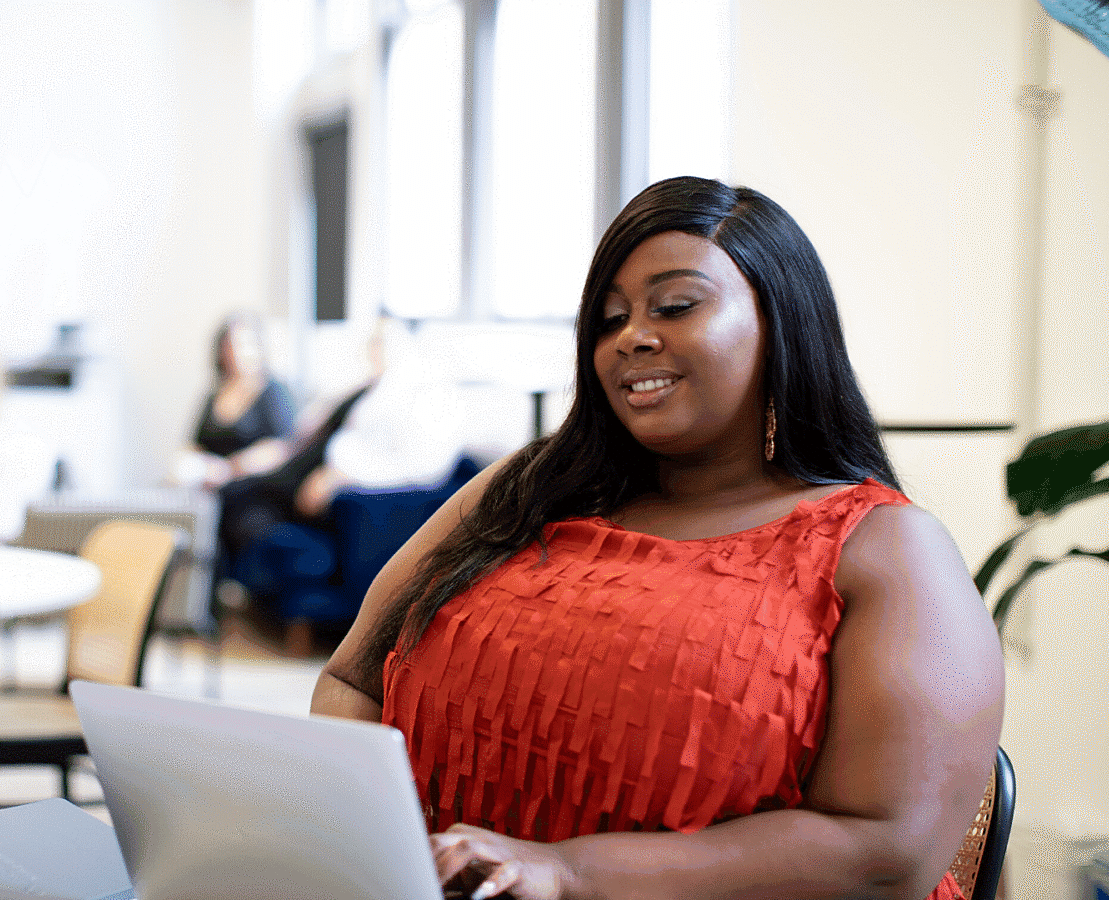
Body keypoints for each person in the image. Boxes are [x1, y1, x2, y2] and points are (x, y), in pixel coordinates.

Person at [311, 176, 1004, 900]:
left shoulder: (884, 546)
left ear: (783, 322)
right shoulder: (528, 488)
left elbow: (885, 852)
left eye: (675, 306)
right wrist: (369, 841)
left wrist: (568, 870)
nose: (632, 337)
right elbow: (352, 679)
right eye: (610, 319)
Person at [217, 315, 464, 576]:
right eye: (372, 342)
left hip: (328, 488)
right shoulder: (366, 390)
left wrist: (337, 477)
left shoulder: (416, 400)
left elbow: (412, 464)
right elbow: (303, 434)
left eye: (382, 341)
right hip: (302, 470)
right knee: (229, 498)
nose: (374, 349)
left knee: (238, 503)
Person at [172, 312, 296, 490]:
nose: (236, 352)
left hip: (255, 488)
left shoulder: (272, 391)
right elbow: (195, 444)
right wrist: (188, 466)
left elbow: (282, 447)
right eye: (229, 346)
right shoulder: (215, 395)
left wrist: (230, 469)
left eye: (243, 344)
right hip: (210, 487)